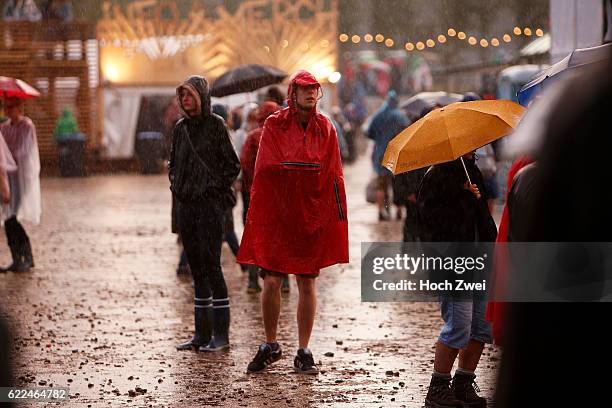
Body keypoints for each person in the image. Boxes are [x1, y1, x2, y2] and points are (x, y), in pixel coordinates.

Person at [238, 70, 349, 374]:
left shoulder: (325, 128)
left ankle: (304, 348)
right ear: (293, 93)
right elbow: (265, 168)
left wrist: (332, 215)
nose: (311, 93)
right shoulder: (275, 124)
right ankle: (271, 343)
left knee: (307, 282)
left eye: (314, 89)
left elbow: (333, 172)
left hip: (310, 215)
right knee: (271, 280)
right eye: (304, 89)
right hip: (279, 215)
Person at [417, 152, 497, 408]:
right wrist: (462, 197)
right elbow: (431, 225)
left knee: (481, 326)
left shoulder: (473, 173)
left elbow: (484, 220)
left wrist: (475, 200)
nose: (474, 149)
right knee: (459, 324)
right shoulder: (436, 176)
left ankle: (463, 384)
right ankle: (438, 387)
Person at [170, 76, 240, 352]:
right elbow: (173, 161)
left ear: (200, 96)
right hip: (186, 206)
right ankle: (201, 334)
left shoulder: (216, 126)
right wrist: (178, 185)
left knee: (212, 267)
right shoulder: (180, 128)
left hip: (210, 208)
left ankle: (220, 335)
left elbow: (231, 165)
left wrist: (211, 188)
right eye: (182, 95)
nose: (185, 100)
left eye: (189, 95)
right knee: (196, 269)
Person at [240, 101, 281, 293]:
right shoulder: (283, 137)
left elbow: (245, 164)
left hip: (255, 195)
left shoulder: (253, 137)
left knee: (254, 237)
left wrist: (251, 185)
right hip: (279, 197)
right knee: (280, 237)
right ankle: (284, 281)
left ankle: (252, 280)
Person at [0, 98, 41, 273]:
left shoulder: (27, 126)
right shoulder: (4, 128)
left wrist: (9, 158)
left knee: (12, 216)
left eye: (11, 107)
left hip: (20, 177)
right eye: (6, 107)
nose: (8, 111)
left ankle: (27, 256)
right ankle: (17, 257)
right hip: (6, 177)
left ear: (19, 108)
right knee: (8, 218)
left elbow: (25, 150)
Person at [366, 90, 409, 221]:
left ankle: (381, 211)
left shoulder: (378, 115)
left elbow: (369, 132)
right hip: (396, 155)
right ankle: (399, 211)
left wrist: (379, 138)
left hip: (381, 155)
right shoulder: (400, 116)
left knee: (381, 185)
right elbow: (407, 132)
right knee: (398, 184)